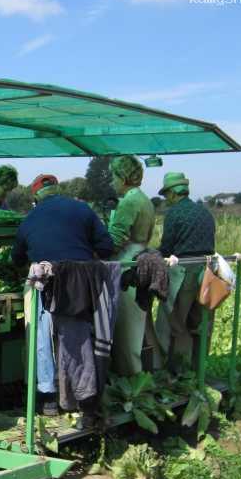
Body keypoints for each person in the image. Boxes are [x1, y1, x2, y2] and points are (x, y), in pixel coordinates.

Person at [13, 174, 114, 415]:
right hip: (82, 289)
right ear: (58, 191)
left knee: (42, 338)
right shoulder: (83, 210)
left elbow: (16, 258)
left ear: (35, 197)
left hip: (46, 287)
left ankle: (48, 397)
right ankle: (84, 398)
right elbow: (106, 247)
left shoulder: (29, 219)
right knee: (78, 340)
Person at [156, 172, 216, 372]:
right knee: (201, 324)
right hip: (207, 272)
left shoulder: (174, 214)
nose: (166, 199)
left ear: (173, 193)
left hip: (184, 272)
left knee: (173, 323)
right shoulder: (205, 212)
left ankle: (173, 370)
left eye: (167, 195)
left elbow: (166, 247)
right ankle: (197, 369)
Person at [107, 155, 155, 376]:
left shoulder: (129, 201)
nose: (112, 182)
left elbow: (115, 239)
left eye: (114, 177)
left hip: (128, 263)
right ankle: (139, 371)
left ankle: (128, 376)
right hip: (142, 256)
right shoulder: (146, 200)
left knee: (125, 328)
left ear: (123, 177)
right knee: (138, 323)